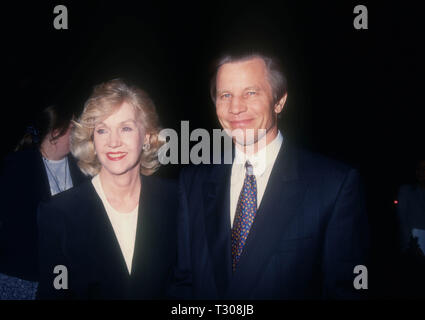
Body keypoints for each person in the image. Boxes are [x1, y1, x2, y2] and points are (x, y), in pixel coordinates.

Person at [171, 51, 370, 299]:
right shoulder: (192, 182)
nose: (236, 107)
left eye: (250, 93)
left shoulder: (334, 185)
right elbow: (184, 283)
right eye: (225, 95)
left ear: (279, 101)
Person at [37, 79, 178, 299]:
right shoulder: (58, 213)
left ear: (148, 137)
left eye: (126, 128)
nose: (113, 142)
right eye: (102, 130)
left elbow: (187, 284)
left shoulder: (177, 202)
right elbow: (56, 290)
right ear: (92, 138)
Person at [0, 105, 87, 289]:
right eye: (73, 127)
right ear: (55, 133)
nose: (79, 132)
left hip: (66, 275)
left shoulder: (83, 168)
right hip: (23, 276)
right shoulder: (17, 167)